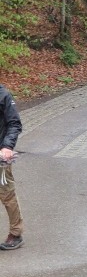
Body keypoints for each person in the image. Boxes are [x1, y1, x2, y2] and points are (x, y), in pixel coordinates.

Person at [0, 85, 24, 251]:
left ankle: (16, 233)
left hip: (1, 155)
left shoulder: (3, 95)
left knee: (7, 194)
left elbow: (14, 123)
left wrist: (7, 147)